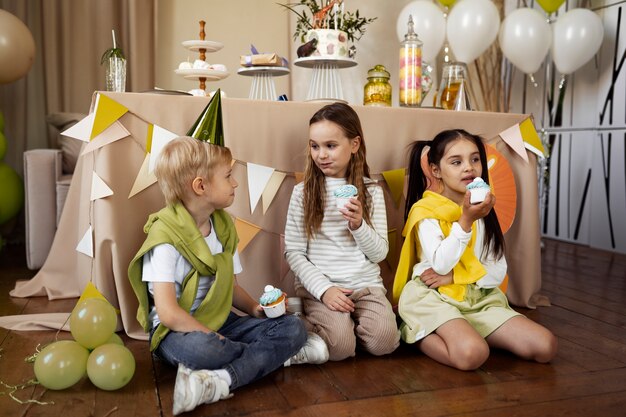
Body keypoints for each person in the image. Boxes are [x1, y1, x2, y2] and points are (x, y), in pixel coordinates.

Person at [128, 136, 328, 415]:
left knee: (292, 327)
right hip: (177, 332)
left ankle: (218, 380)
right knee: (207, 350)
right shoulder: (164, 239)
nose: (235, 183)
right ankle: (277, 356)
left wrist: (257, 310)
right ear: (201, 186)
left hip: (221, 320)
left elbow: (230, 288)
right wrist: (211, 335)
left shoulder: (222, 227)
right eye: (228, 176)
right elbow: (169, 313)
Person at [393, 129, 557, 371]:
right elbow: (440, 264)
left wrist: (457, 277)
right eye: (456, 162)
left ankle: (471, 329)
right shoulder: (426, 211)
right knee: (472, 355)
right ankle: (417, 332)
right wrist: (465, 222)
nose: (468, 167)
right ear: (436, 170)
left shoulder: (484, 210)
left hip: (478, 299)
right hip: (434, 297)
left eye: (475, 159)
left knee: (546, 347)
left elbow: (498, 272)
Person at [284, 102, 400, 361]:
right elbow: (293, 252)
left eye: (331, 146)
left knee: (385, 342)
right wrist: (325, 290)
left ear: (354, 145)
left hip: (365, 286)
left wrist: (359, 226)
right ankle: (301, 321)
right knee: (340, 348)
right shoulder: (303, 193)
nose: (321, 155)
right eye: (315, 146)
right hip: (322, 287)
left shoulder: (371, 192)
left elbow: (380, 253)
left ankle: (347, 326)